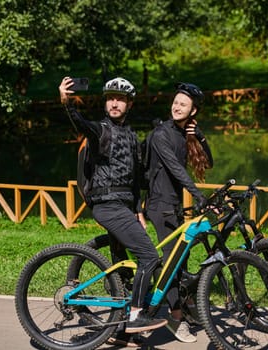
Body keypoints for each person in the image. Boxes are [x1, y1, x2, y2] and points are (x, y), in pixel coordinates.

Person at [58, 76, 167, 342]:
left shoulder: (130, 135)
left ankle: (118, 331)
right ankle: (135, 316)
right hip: (108, 206)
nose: (114, 103)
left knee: (123, 269)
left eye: (120, 99)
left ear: (129, 104)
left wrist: (139, 209)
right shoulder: (101, 130)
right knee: (150, 257)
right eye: (110, 99)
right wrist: (67, 103)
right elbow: (81, 125)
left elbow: (135, 177)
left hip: (124, 207)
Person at [145, 82, 213, 343]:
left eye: (183, 104)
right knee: (173, 262)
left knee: (180, 261)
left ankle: (183, 307)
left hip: (173, 205)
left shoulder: (185, 133)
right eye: (175, 102)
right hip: (159, 205)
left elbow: (209, 162)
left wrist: (201, 136)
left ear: (193, 111)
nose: (176, 106)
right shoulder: (161, 134)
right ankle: (175, 318)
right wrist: (198, 195)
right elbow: (176, 169)